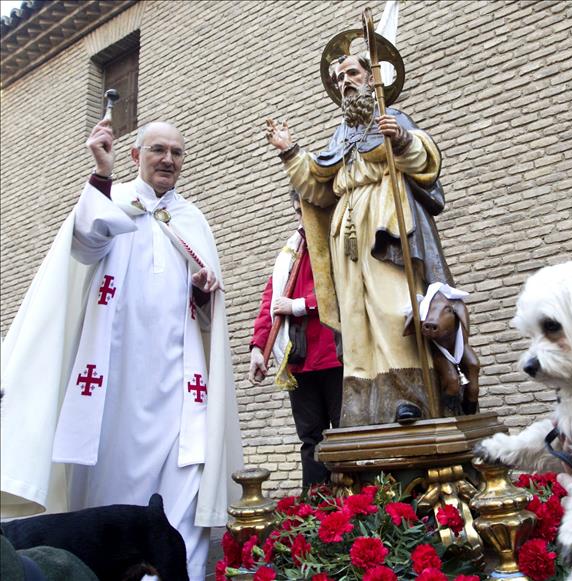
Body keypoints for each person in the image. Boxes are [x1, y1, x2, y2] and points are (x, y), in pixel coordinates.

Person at [0, 119, 243, 580]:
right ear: (136, 156)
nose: (168, 159)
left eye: (176, 152)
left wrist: (204, 291)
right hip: (113, 385)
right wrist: (101, 172)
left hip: (178, 385)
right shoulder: (110, 202)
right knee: (109, 500)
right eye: (157, 150)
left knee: (184, 489)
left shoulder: (192, 219)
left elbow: (209, 316)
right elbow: (87, 245)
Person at [265, 52, 454, 427]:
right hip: (345, 240)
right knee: (356, 320)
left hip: (385, 228)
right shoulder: (340, 136)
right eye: (338, 79)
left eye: (351, 73)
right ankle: (362, 407)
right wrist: (289, 152)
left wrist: (400, 141)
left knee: (392, 310)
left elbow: (424, 161)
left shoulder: (392, 120)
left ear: (372, 78)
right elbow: (317, 190)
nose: (344, 82)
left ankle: (408, 398)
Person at [248, 189, 343, 487]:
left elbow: (345, 286)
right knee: (310, 438)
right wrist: (258, 349)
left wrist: (300, 305)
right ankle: (314, 510)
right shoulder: (291, 251)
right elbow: (271, 302)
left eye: (311, 209)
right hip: (299, 361)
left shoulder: (337, 241)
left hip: (336, 355)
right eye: (299, 211)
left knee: (344, 433)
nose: (305, 217)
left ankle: (355, 508)